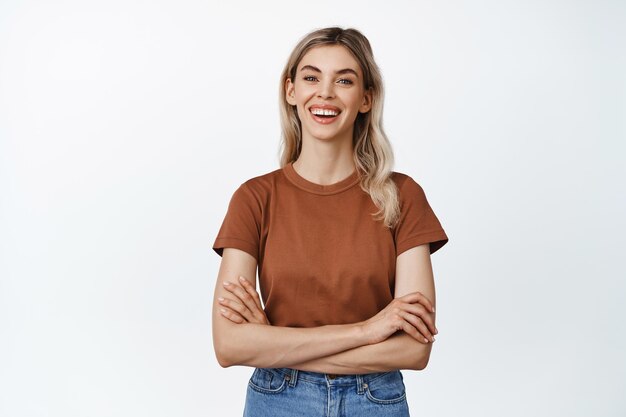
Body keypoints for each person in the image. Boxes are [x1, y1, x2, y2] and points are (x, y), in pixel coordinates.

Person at [211, 26, 449, 417]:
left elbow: (414, 348)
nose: (325, 93)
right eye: (311, 77)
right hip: (278, 399)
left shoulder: (404, 196)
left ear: (366, 98)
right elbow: (229, 346)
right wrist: (368, 330)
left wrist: (274, 343)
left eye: (344, 80)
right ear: (291, 92)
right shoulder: (254, 198)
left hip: (375, 400)